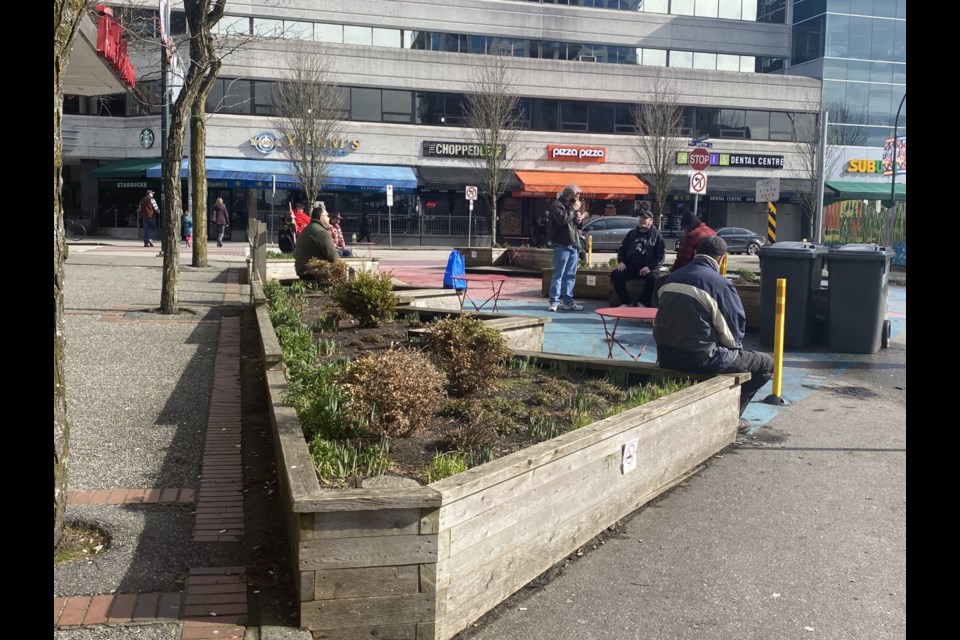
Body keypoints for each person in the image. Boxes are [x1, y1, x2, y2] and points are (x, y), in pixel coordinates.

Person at [653, 235, 774, 433]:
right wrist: (732, 348)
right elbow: (733, 331)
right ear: (721, 258)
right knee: (765, 364)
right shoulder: (720, 285)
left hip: (666, 356)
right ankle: (731, 416)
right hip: (701, 359)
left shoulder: (671, 278)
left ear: (695, 253)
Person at [610, 208, 665, 307]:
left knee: (653, 278)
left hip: (648, 267)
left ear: (651, 221)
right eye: (641, 217)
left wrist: (649, 267)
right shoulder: (632, 233)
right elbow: (622, 249)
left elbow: (661, 256)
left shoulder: (657, 235)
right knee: (616, 274)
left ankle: (643, 302)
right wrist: (621, 261)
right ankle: (626, 302)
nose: (642, 220)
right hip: (631, 266)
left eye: (645, 218)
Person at [546, 184, 585, 312]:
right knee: (558, 274)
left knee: (570, 275)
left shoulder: (570, 206)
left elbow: (573, 224)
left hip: (573, 243)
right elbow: (561, 220)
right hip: (561, 243)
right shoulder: (557, 205)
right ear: (569, 195)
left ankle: (568, 301)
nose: (579, 197)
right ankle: (554, 301)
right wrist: (573, 210)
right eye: (577, 195)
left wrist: (578, 220)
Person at [294, 203, 339, 279]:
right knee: (349, 272)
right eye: (327, 216)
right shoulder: (320, 232)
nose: (329, 218)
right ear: (321, 218)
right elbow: (333, 257)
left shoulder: (308, 228)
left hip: (302, 270)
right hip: (313, 272)